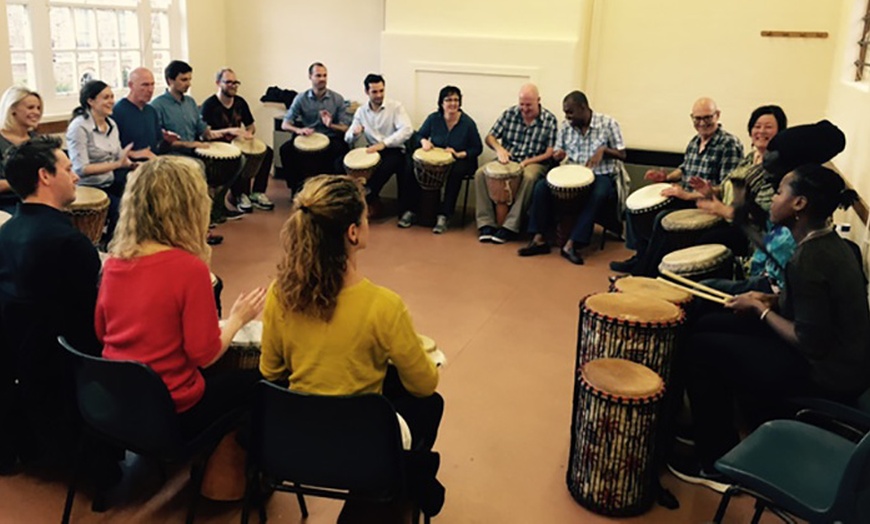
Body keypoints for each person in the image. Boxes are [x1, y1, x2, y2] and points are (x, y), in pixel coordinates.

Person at [670, 164, 870, 490]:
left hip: (828, 374)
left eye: (779, 193)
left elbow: (809, 342)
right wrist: (768, 299)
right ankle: (708, 427)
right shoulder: (826, 243)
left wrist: (759, 311)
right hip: (831, 356)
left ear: (799, 204)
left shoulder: (810, 258)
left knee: (702, 348)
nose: (773, 199)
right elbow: (811, 308)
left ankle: (715, 463)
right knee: (707, 324)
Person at [259, 175, 444, 514]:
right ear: (353, 232)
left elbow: (270, 370)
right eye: (364, 217)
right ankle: (386, 494)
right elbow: (424, 384)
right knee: (431, 404)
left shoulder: (279, 294)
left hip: (294, 441)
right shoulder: (384, 306)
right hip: (360, 449)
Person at [96, 155, 266, 437]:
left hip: (118, 401)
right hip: (171, 408)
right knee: (257, 384)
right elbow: (204, 355)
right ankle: (222, 470)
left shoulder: (114, 262)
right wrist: (238, 318)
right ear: (190, 206)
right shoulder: (189, 269)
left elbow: (102, 332)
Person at [0, 137, 102, 471]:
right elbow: (94, 322)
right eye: (68, 169)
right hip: (62, 367)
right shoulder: (71, 243)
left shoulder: (6, 232)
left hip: (19, 364)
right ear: (45, 176)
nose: (75, 177)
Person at [610, 97, 743, 273]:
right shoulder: (695, 142)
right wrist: (666, 177)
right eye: (697, 118)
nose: (702, 123)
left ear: (717, 115)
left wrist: (688, 195)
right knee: (634, 209)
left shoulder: (729, 144)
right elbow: (684, 169)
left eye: (707, 117)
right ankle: (641, 256)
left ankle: (646, 270)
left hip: (708, 204)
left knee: (660, 218)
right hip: (686, 197)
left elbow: (726, 189)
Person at [518, 90, 626, 264]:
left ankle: (572, 243)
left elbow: (623, 154)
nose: (567, 117)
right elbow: (558, 151)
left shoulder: (608, 123)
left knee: (598, 195)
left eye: (570, 112)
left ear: (583, 108)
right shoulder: (566, 126)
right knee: (541, 188)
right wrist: (558, 155)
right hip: (572, 173)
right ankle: (539, 238)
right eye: (565, 112)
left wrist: (604, 150)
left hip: (600, 173)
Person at [151, 60, 245, 234]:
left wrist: (228, 132)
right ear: (170, 81)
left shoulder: (190, 103)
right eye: (183, 80)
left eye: (189, 79)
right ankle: (198, 217)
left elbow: (204, 132)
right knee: (199, 166)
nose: (188, 84)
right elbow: (160, 141)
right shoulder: (157, 106)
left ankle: (216, 206)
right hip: (172, 153)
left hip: (194, 149)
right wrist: (191, 144)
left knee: (239, 159)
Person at [474, 83, 558, 244]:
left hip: (535, 161)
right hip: (509, 158)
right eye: (522, 104)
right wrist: (499, 150)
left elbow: (549, 152)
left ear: (538, 101)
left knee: (529, 177)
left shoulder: (549, 120)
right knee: (480, 174)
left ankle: (510, 226)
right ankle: (486, 224)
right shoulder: (510, 114)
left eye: (529, 105)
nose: (524, 109)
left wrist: (527, 162)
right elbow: (490, 137)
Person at [398, 85, 482, 234]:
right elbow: (419, 135)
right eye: (448, 100)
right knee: (413, 166)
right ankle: (411, 210)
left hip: (460, 160)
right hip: (437, 159)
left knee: (455, 172)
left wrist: (459, 154)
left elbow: (477, 148)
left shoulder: (467, 123)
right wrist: (424, 141)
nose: (453, 103)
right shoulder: (434, 118)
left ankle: (444, 215)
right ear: (441, 103)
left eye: (456, 100)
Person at [66, 80, 135, 239]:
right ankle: (113, 246)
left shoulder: (111, 124)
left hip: (108, 182)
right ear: (90, 101)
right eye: (106, 97)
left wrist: (133, 165)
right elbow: (81, 169)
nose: (111, 101)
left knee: (141, 198)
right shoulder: (79, 127)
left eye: (112, 97)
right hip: (88, 187)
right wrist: (117, 165)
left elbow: (118, 154)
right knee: (122, 210)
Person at [201, 68, 274, 213]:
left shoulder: (240, 102)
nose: (233, 86)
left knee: (267, 152)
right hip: (219, 145)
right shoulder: (209, 105)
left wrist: (248, 134)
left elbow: (251, 126)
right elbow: (205, 134)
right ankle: (239, 195)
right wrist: (228, 131)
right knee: (238, 156)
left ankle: (257, 192)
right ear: (218, 83)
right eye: (228, 82)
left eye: (235, 82)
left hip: (238, 141)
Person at [344, 74, 413, 218]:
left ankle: (367, 196)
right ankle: (368, 199)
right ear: (366, 92)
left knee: (388, 165)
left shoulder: (395, 107)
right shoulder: (361, 111)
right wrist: (355, 134)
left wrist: (384, 143)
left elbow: (407, 129)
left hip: (394, 149)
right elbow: (348, 137)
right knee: (340, 163)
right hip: (372, 150)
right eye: (374, 92)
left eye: (381, 91)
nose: (379, 95)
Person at [280, 62, 350, 192]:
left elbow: (345, 128)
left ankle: (332, 191)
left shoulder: (337, 99)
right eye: (318, 75)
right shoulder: (301, 98)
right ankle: (296, 189)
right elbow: (285, 124)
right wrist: (299, 130)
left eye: (324, 75)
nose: (322, 79)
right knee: (285, 150)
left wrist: (331, 125)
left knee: (341, 152)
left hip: (330, 137)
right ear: (310, 77)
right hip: (309, 137)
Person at [112, 67, 175, 161]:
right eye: (145, 85)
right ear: (131, 85)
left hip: (152, 163)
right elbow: (109, 151)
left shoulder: (151, 111)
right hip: (129, 166)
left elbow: (157, 146)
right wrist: (134, 153)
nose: (150, 90)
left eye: (152, 84)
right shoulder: (117, 112)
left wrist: (167, 141)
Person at [0, 87, 42, 214]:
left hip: (36, 200)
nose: (36, 112)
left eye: (38, 108)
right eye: (30, 107)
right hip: (7, 203)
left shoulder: (36, 139)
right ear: (12, 109)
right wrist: (27, 183)